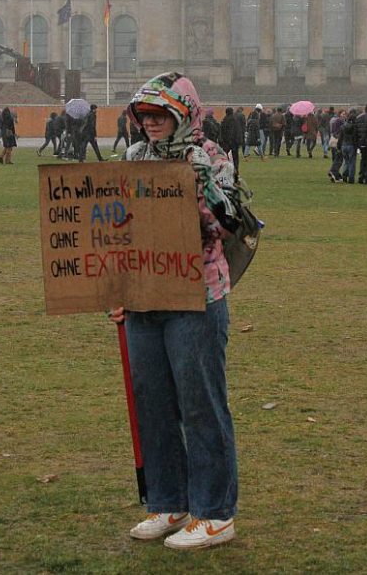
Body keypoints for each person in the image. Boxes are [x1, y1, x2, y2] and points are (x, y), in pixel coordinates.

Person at [112, 72, 240, 550]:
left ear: (183, 114)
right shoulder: (132, 159)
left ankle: (215, 512)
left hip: (197, 298)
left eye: (160, 114)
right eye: (144, 115)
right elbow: (116, 231)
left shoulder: (211, 158)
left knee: (201, 404)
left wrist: (203, 185)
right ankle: (168, 502)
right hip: (145, 297)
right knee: (155, 406)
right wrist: (115, 289)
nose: (151, 123)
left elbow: (226, 227)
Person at [339, 109, 359, 184]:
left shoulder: (343, 126)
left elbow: (340, 137)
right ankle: (351, 178)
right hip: (351, 145)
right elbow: (355, 137)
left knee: (346, 161)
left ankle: (344, 175)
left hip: (344, 145)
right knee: (352, 162)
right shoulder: (354, 127)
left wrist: (339, 146)